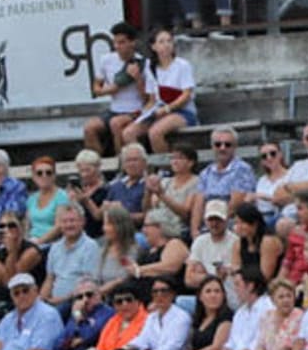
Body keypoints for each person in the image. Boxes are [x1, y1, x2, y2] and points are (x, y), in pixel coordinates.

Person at [122, 26, 194, 154]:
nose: (166, 45)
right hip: (159, 110)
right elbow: (152, 99)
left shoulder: (182, 65)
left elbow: (186, 94)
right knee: (128, 133)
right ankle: (143, 168)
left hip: (182, 111)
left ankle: (165, 167)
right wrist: (144, 113)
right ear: (153, 46)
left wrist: (167, 109)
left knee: (155, 132)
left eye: (169, 41)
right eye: (161, 42)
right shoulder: (151, 67)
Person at [82, 21, 144, 155]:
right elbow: (96, 88)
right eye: (115, 43)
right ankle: (99, 165)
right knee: (89, 128)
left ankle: (120, 163)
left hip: (134, 110)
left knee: (116, 124)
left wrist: (138, 78)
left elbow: (146, 97)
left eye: (122, 43)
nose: (117, 46)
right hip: (114, 109)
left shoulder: (142, 62)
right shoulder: (106, 60)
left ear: (132, 43)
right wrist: (112, 88)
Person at [0, 272, 64, 350]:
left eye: (25, 291)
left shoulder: (47, 314)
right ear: (12, 297)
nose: (21, 295)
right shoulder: (8, 319)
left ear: (35, 291)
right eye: (16, 293)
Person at [41, 202, 100, 308]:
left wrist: (60, 300)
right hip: (54, 303)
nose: (69, 225)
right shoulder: (55, 247)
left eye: (72, 221)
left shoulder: (90, 246)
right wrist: (40, 303)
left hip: (78, 303)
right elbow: (50, 279)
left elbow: (88, 284)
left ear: (82, 222)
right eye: (64, 221)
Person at [172, 274, 231, 350]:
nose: (213, 295)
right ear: (200, 296)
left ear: (223, 295)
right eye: (208, 291)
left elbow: (216, 347)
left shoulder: (226, 317)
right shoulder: (198, 320)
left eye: (217, 291)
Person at [197, 126, 254, 214]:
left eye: (227, 144)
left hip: (230, 222)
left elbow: (235, 206)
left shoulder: (242, 170)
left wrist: (215, 225)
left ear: (235, 147)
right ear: (212, 147)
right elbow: (198, 206)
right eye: (218, 144)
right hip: (208, 221)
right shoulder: (205, 173)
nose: (222, 148)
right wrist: (195, 228)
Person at [186, 199, 239, 290]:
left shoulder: (236, 242)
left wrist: (202, 275)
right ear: (205, 221)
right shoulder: (200, 241)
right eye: (211, 219)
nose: (214, 223)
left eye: (218, 219)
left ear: (226, 220)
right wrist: (214, 276)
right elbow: (189, 279)